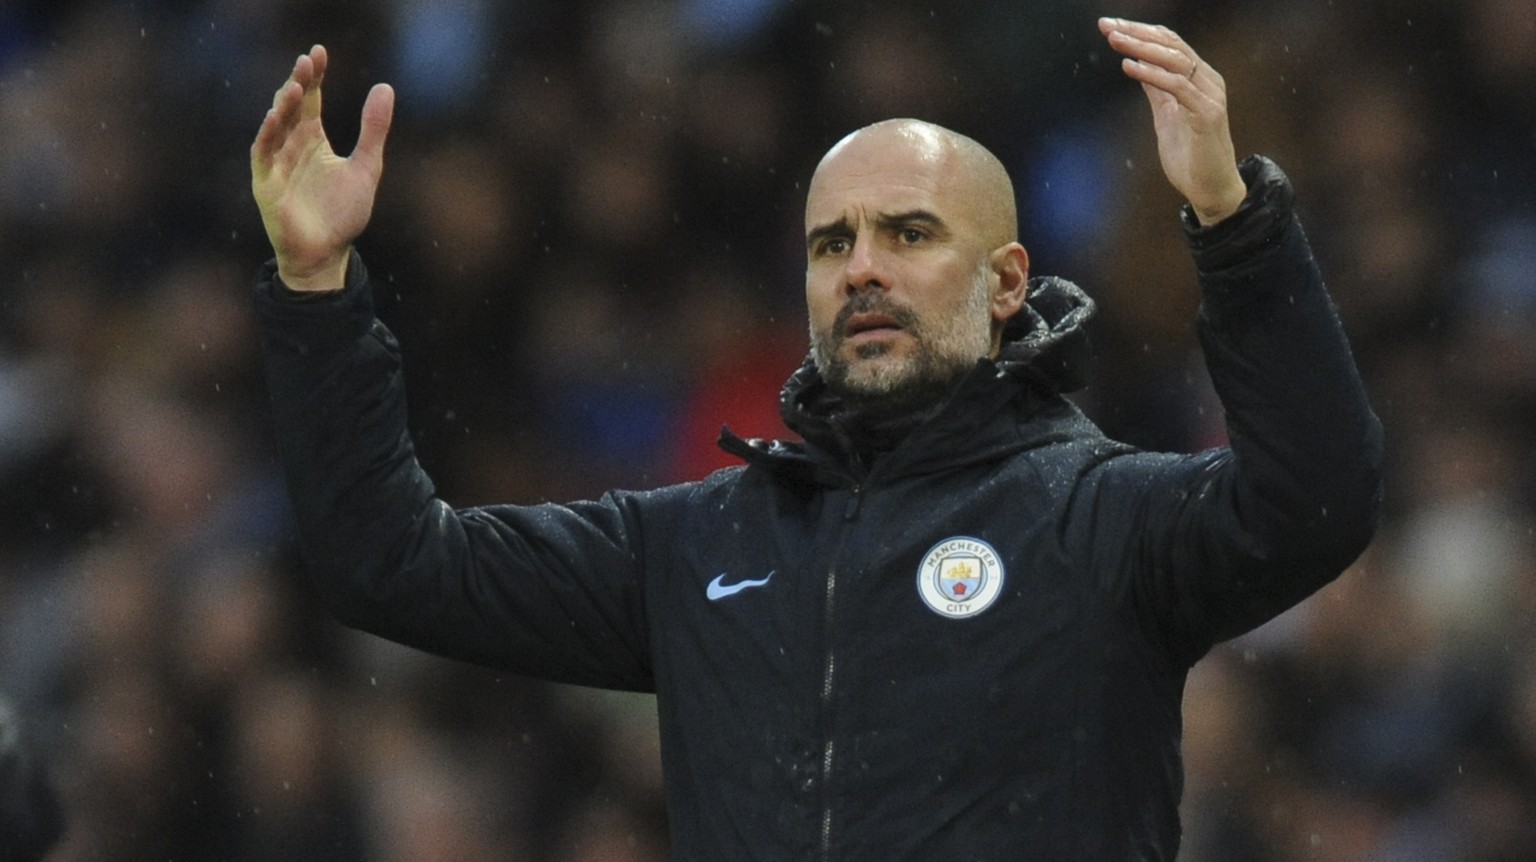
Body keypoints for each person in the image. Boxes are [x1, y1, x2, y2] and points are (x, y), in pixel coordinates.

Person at [250, 17, 1383, 860]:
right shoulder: (695, 546)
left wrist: (1237, 226)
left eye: (909, 232)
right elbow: (386, 563)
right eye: (831, 243)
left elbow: (1316, 501)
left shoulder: (1106, 519)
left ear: (1005, 285)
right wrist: (315, 287)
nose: (864, 269)